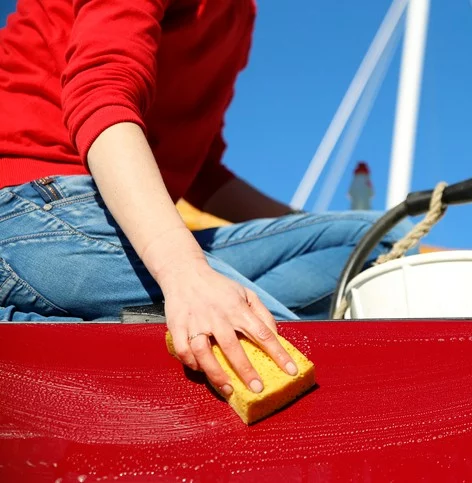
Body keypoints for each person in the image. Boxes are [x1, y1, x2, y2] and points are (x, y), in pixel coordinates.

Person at [0, 1, 413, 398]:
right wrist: (185, 272)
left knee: (378, 238)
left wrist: (297, 231)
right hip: (32, 207)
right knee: (298, 365)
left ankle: (114, 323)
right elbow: (100, 92)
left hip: (121, 225)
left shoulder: (238, 15)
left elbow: (203, 174)